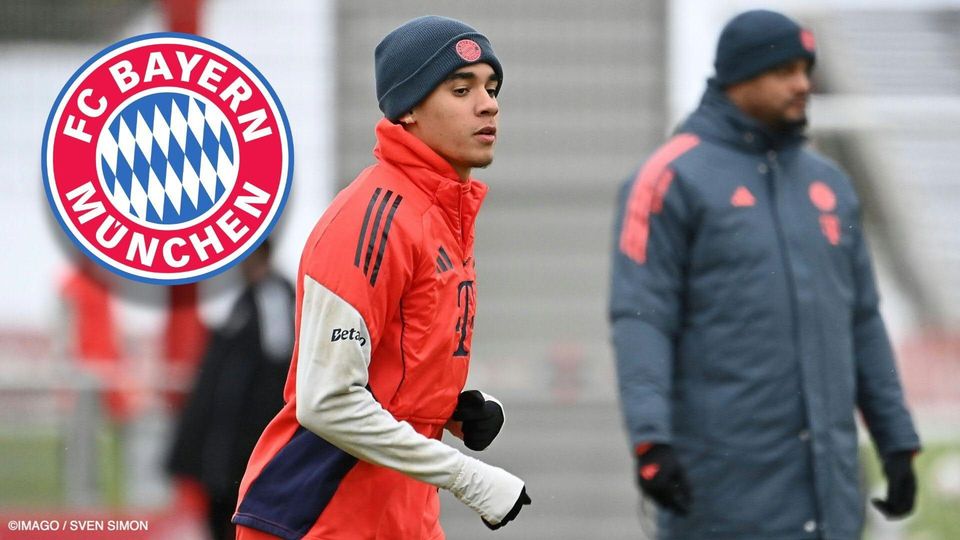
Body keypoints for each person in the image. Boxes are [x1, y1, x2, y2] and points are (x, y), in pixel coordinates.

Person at [609, 9, 921, 540]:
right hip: (722, 496)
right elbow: (641, 317)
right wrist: (651, 440)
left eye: (806, 70)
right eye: (784, 71)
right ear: (739, 76)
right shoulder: (669, 179)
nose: (803, 85)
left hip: (831, 500)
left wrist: (895, 439)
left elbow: (863, 320)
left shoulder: (830, 185)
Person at [232, 16, 530, 540]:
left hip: (404, 516)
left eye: (492, 88)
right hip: (321, 521)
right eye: (462, 89)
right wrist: (469, 477)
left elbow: (388, 372)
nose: (488, 104)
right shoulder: (374, 216)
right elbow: (328, 401)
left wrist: (451, 411)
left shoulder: (443, 215)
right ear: (407, 108)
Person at [168, 239, 295, 540]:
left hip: (248, 435)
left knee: (244, 508)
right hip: (222, 437)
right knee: (219, 507)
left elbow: (278, 358)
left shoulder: (274, 296)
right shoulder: (236, 297)